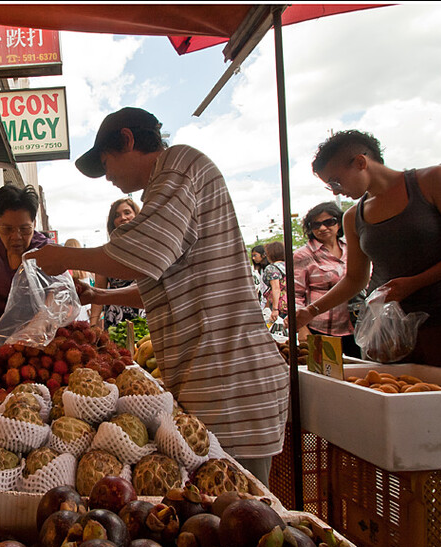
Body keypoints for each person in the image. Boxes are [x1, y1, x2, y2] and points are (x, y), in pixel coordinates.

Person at [28, 107, 288, 484]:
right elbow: (161, 285)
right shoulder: (160, 195)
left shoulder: (180, 165)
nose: (110, 178)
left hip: (231, 382)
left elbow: (143, 253)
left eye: (107, 163)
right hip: (210, 379)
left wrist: (65, 256)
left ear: (128, 141)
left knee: (242, 510)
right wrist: (98, 294)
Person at [296, 130, 441, 372]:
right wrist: (310, 312)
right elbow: (355, 279)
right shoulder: (353, 217)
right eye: (330, 187)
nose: (337, 192)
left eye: (336, 181)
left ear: (361, 162)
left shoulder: (432, 180)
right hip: (388, 333)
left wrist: (416, 282)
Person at [293, 201, 361, 358]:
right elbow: (295, 294)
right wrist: (302, 328)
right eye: (316, 225)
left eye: (329, 222)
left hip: (357, 326)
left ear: (339, 223)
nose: (322, 228)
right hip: (321, 329)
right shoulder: (303, 255)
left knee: (356, 374)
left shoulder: (352, 248)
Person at [0, 184, 50, 324]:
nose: (16, 236)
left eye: (24, 229)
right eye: (7, 229)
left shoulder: (45, 251)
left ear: (34, 224)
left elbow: (56, 297)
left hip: (36, 340)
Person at [89, 198, 147, 330]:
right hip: (115, 321)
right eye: (117, 215)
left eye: (127, 212)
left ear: (136, 215)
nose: (123, 218)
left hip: (145, 317)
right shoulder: (106, 253)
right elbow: (98, 289)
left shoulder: (148, 248)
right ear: (112, 222)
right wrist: (93, 324)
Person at [262, 241, 288, 325]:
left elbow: (276, 288)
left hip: (281, 305)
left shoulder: (271, 268)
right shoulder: (290, 264)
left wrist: (275, 309)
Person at [250, 244, 270, 315]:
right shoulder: (259, 270)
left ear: (263, 255)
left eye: (255, 255)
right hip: (263, 301)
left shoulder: (269, 269)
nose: (253, 258)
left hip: (270, 302)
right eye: (252, 256)